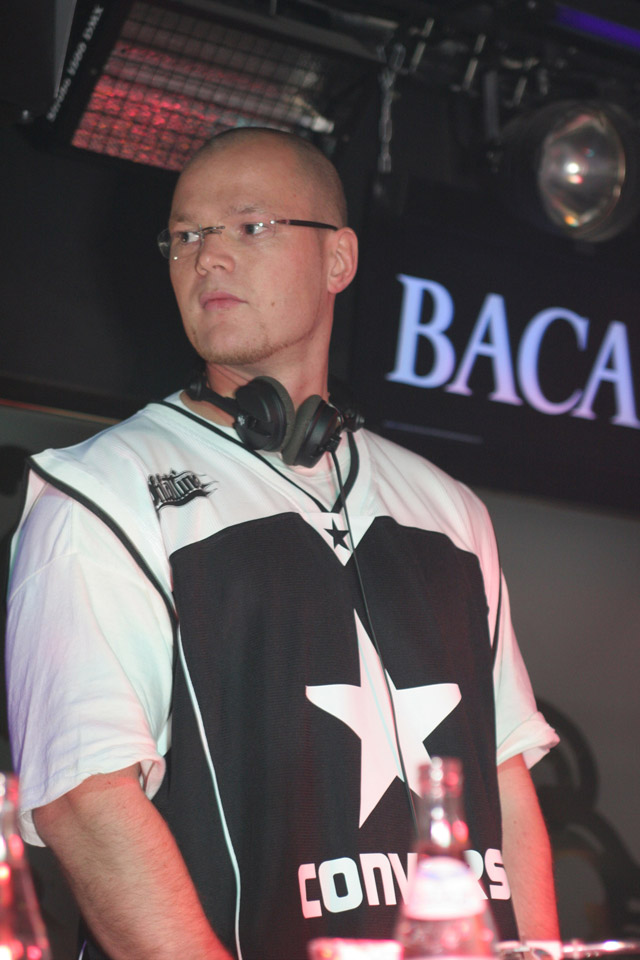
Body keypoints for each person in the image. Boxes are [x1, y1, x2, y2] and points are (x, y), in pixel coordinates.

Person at [5, 127, 560, 960]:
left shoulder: (449, 509)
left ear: (339, 259)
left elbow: (505, 780)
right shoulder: (101, 493)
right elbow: (86, 799)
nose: (208, 257)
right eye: (184, 235)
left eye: (250, 225)